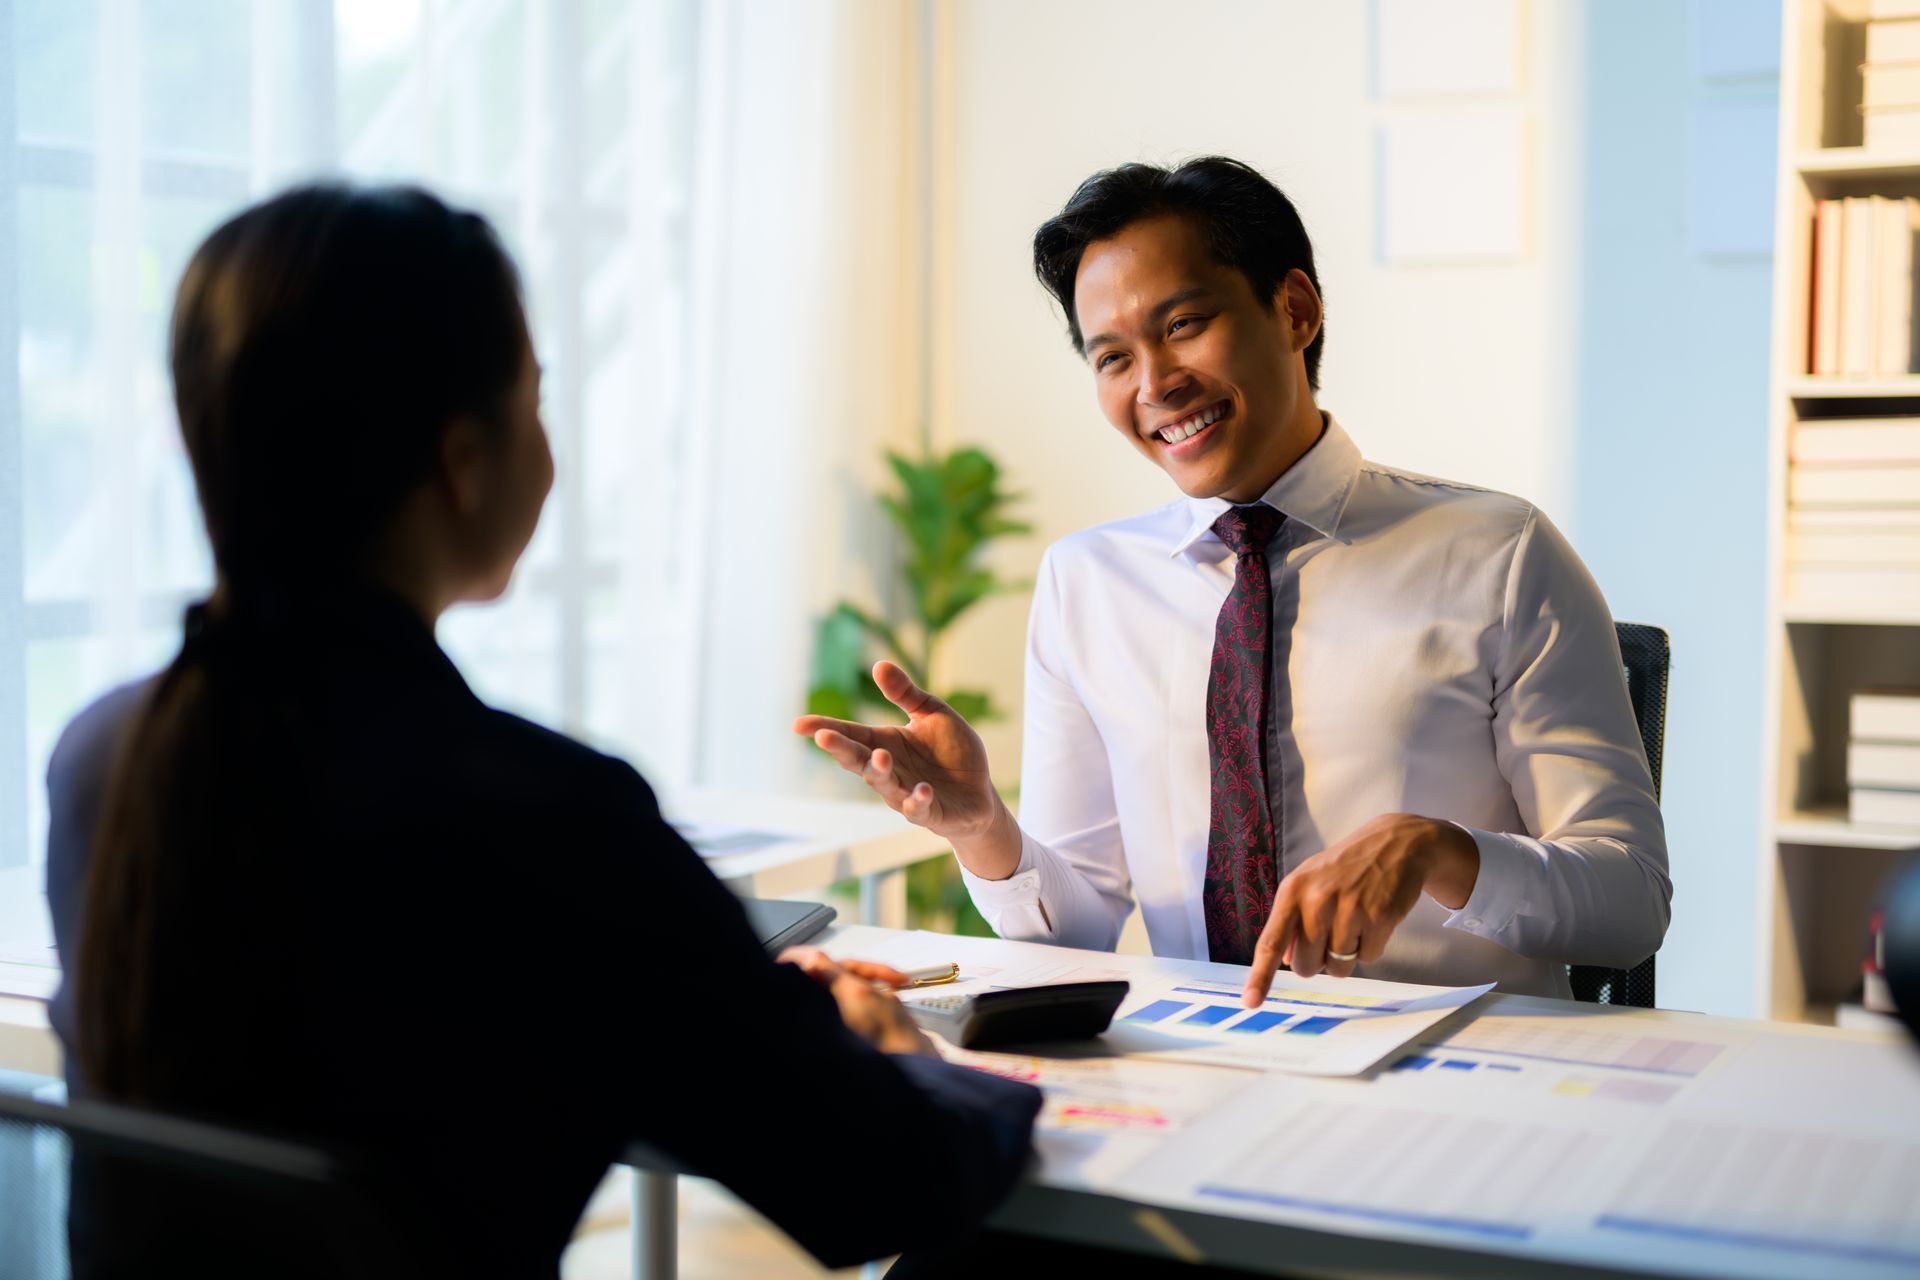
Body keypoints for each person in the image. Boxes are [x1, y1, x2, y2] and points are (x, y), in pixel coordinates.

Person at [44, 183, 1039, 1277]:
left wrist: (723, 1000)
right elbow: (888, 1183)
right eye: (536, 399)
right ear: (463, 462)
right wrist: (890, 1050)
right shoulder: (540, 812)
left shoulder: (103, 757)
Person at [797, 156, 1669, 1007]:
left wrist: (1438, 851)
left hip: (1461, 1077)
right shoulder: (1087, 584)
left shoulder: (1497, 552)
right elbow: (1078, 934)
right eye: (1111, 358)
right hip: (1213, 1058)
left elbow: (1630, 905)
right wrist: (983, 830)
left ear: (1295, 310)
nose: (1156, 385)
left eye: (1182, 326)